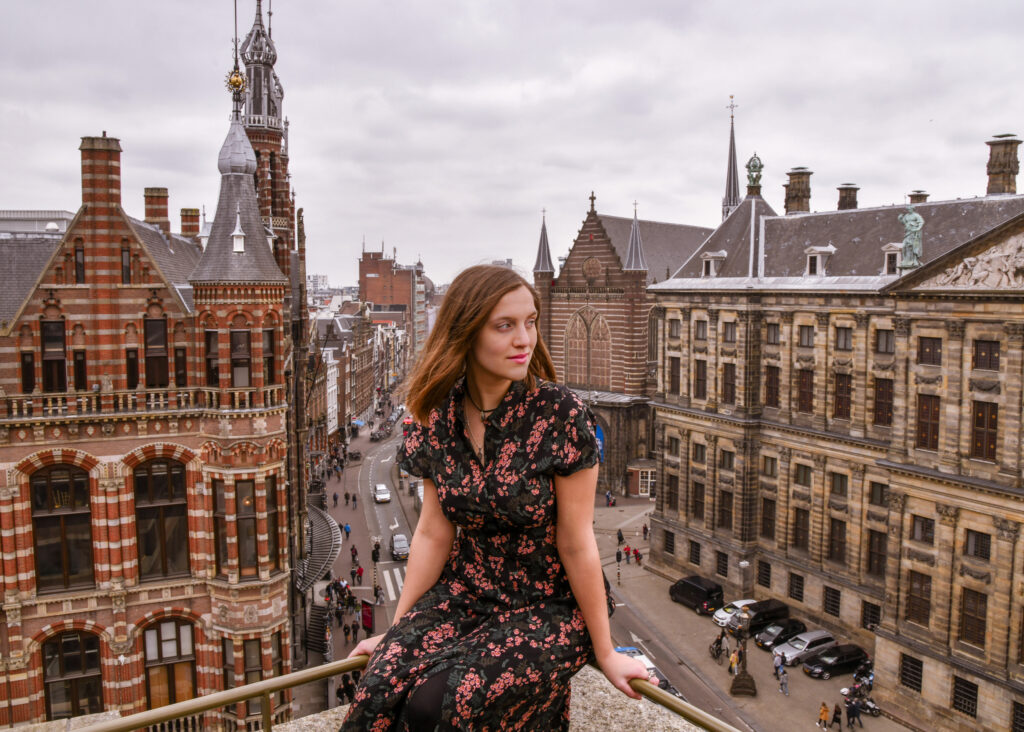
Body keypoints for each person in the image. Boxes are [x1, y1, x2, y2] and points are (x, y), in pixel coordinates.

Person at [341, 265, 646, 731]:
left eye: (531, 321)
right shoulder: (435, 415)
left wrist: (606, 652)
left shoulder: (561, 415)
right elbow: (431, 531)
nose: (525, 338)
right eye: (505, 325)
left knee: (442, 702)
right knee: (380, 686)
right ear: (466, 332)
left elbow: (576, 542)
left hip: (548, 603)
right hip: (468, 593)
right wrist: (396, 630)